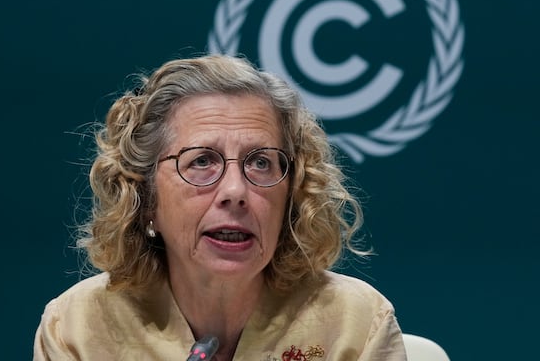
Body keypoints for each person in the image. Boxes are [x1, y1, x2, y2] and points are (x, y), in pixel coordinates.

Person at [33, 55, 406, 361]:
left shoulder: (355, 325)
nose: (234, 191)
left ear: (292, 196)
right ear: (145, 198)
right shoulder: (77, 329)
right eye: (201, 161)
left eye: (261, 162)